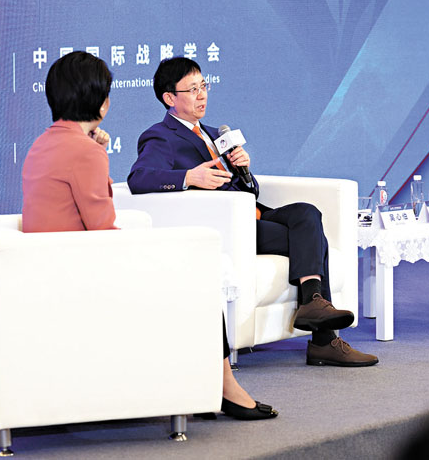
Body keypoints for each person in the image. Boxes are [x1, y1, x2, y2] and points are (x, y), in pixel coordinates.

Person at [22, 51, 277, 420]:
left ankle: (204, 383)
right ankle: (223, 385)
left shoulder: (43, 144)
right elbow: (102, 230)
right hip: (82, 272)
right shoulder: (85, 152)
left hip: (50, 266)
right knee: (199, 273)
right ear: (101, 102)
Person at [128, 57, 378, 368]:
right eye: (192, 90)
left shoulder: (213, 133)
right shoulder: (160, 136)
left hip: (250, 211)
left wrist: (244, 169)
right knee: (314, 240)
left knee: (307, 213)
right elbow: (139, 178)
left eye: (204, 86)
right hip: (228, 224)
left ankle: (314, 308)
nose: (202, 95)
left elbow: (249, 191)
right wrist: (190, 176)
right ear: (170, 98)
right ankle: (323, 337)